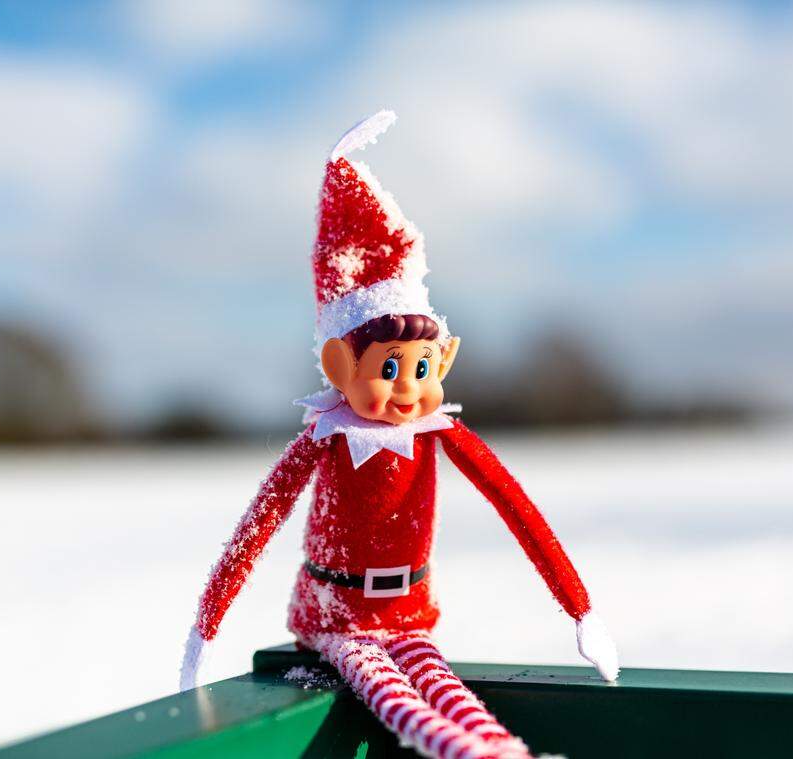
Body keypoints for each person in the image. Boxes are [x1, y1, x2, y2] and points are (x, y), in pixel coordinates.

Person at [180, 111, 618, 759]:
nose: (408, 388)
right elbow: (257, 525)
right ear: (339, 367)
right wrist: (205, 626)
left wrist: (580, 609)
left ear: (443, 362)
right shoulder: (324, 440)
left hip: (411, 610)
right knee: (397, 701)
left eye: (420, 367)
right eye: (389, 368)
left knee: (446, 688)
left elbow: (519, 510)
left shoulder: (441, 433)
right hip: (340, 618)